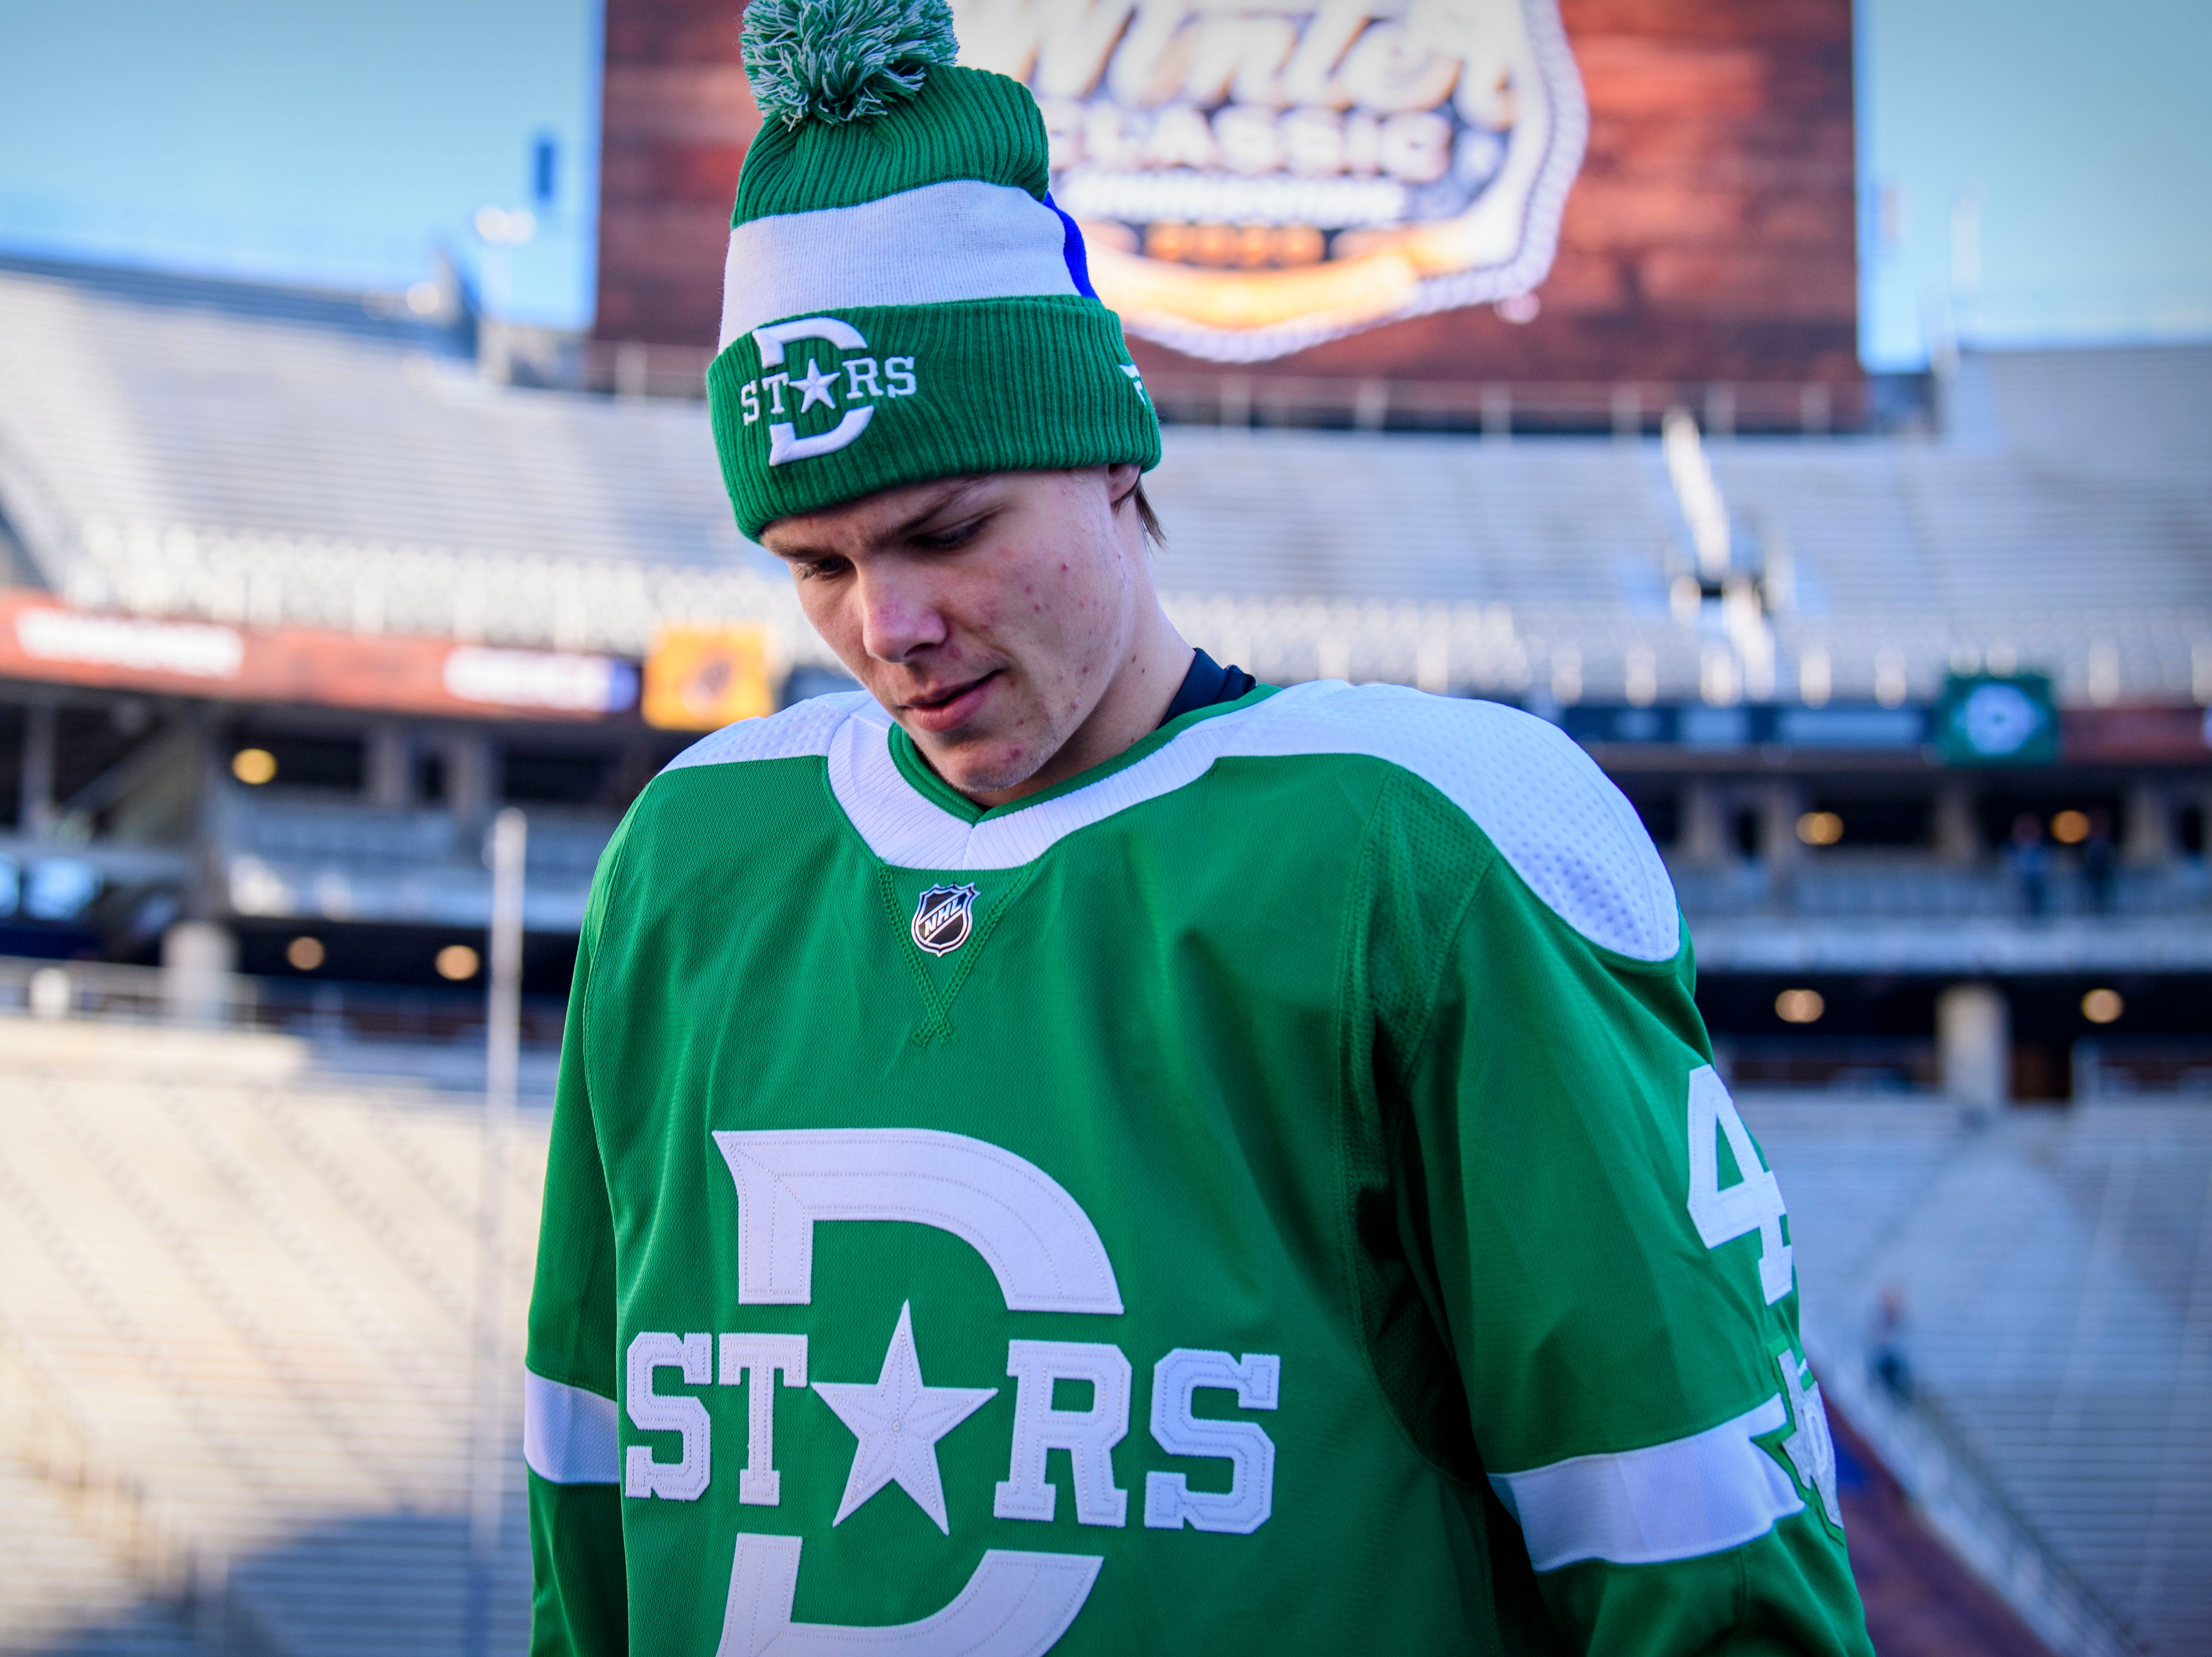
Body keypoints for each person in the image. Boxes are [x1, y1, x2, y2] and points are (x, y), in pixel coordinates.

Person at [524, 3, 1868, 1650]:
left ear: (1107, 450)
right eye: (815, 561)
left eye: (947, 528)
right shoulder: (690, 857)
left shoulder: (1417, 848)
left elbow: (1695, 1550)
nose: (889, 624)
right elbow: (590, 1516)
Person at [2010, 813, 2050, 917]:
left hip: (2038, 879)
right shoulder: (2014, 849)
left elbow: (2046, 864)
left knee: (2039, 900)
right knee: (2023, 899)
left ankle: (2040, 915)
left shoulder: (2042, 848)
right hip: (2022, 879)